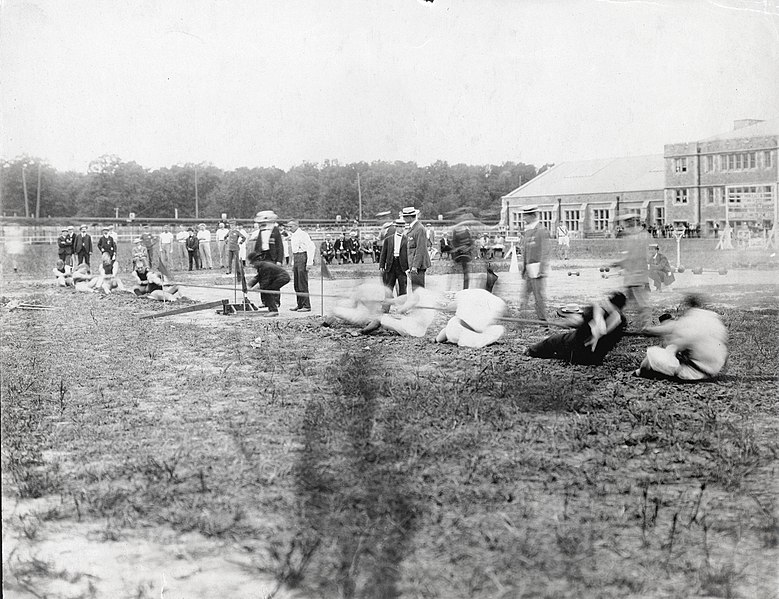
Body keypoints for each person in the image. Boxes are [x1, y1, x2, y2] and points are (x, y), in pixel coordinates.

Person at [635, 294, 728, 381]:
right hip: (713, 369)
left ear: (687, 307)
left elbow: (679, 344)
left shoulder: (690, 319)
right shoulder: (713, 317)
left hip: (696, 371)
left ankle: (638, 373)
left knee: (652, 354)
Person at [527, 291, 627, 365]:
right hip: (595, 357)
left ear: (611, 303)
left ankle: (530, 351)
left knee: (551, 341)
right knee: (558, 348)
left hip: (575, 348)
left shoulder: (597, 311)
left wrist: (566, 322)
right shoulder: (621, 322)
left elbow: (577, 321)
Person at [435, 285, 507, 348]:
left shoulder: (469, 307)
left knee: (450, 326)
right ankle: (438, 339)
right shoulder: (484, 310)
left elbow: (452, 306)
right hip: (464, 331)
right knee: (452, 324)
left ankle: (438, 339)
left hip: (460, 330)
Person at [612, 214, 651, 329]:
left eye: (629, 223)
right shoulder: (633, 237)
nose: (626, 226)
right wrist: (619, 263)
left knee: (643, 303)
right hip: (631, 277)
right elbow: (630, 257)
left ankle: (646, 326)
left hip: (638, 277)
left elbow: (638, 256)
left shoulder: (642, 237)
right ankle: (620, 324)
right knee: (624, 302)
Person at [361, 285, 439, 337]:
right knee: (394, 319)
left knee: (379, 319)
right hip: (420, 329)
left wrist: (398, 308)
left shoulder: (417, 296)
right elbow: (406, 298)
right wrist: (392, 301)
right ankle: (374, 326)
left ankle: (361, 332)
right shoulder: (425, 293)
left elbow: (401, 310)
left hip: (413, 329)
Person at [518, 205, 550, 322]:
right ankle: (522, 321)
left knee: (538, 297)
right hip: (529, 268)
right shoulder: (528, 231)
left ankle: (543, 322)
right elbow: (525, 250)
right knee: (524, 295)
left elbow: (544, 251)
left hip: (537, 269)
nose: (524, 218)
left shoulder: (541, 230)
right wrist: (524, 268)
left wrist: (542, 269)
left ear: (532, 216)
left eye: (526, 216)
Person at [323, 281, 390, 329]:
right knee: (341, 304)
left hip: (361, 317)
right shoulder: (374, 289)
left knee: (334, 310)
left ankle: (324, 325)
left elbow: (353, 303)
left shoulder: (360, 290)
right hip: (370, 315)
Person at [246, 251, 291, 317]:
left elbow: (265, 281)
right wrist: (249, 284)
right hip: (278, 277)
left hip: (282, 278)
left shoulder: (265, 267)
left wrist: (258, 287)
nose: (253, 266)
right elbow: (259, 276)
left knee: (267, 290)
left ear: (257, 261)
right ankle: (272, 308)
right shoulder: (262, 266)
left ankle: (273, 310)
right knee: (266, 290)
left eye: (253, 263)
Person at [379, 217, 409, 310]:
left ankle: (402, 308)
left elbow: (409, 254)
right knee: (389, 287)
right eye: (400, 227)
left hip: (402, 266)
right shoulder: (389, 239)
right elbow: (383, 253)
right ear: (396, 227)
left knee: (402, 288)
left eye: (403, 227)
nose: (402, 229)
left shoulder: (406, 239)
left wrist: (409, 267)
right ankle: (385, 308)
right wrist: (381, 265)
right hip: (391, 265)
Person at [287, 220, 316, 312]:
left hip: (302, 257)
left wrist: (309, 262)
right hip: (296, 258)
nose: (289, 228)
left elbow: (311, 247)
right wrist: (292, 263)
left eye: (290, 227)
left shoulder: (303, 234)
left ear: (296, 226)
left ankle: (306, 305)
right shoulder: (293, 235)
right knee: (296, 283)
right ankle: (299, 304)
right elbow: (294, 251)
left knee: (302, 283)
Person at [402, 206, 431, 289]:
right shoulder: (413, 228)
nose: (403, 219)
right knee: (415, 289)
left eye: (405, 217)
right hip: (413, 263)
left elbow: (420, 249)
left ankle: (421, 302)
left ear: (410, 217)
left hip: (418, 265)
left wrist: (415, 266)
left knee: (418, 289)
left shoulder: (419, 229)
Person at [451, 221, 474, 289]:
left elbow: (470, 243)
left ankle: (465, 288)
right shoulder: (456, 231)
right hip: (459, 253)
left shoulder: (465, 231)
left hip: (464, 254)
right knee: (463, 271)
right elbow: (454, 243)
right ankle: (462, 288)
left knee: (465, 271)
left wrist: (467, 248)